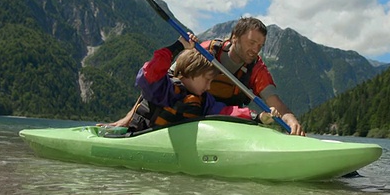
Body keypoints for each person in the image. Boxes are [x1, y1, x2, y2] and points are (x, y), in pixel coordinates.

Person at [106, 17, 306, 136]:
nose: (256, 50)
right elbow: (154, 83)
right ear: (234, 38)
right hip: (183, 119)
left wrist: (290, 121)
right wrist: (128, 119)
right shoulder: (205, 52)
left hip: (216, 115)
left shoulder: (256, 69)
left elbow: (273, 102)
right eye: (252, 43)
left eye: (260, 45)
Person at [124, 32, 280, 132]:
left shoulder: (204, 100)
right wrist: (177, 46)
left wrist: (257, 117)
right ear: (191, 71)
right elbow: (151, 71)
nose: (209, 86)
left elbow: (227, 112)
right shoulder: (165, 88)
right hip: (140, 136)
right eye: (207, 80)